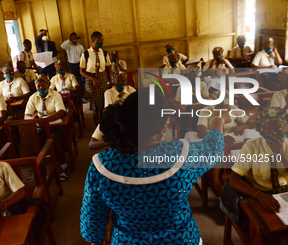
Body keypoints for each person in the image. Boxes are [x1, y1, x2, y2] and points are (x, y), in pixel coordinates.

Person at [81, 88, 226, 244]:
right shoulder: (182, 156)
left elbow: (92, 231)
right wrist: (218, 120)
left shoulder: (101, 167)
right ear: (162, 127)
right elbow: (213, 149)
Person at [229, 107, 288, 213]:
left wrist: (281, 155)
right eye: (267, 130)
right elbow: (233, 179)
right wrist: (259, 195)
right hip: (260, 193)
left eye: (279, 129)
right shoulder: (251, 147)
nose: (273, 134)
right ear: (261, 132)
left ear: (286, 129)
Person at [197, 90, 254, 197]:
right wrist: (220, 136)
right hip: (215, 143)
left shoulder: (234, 109)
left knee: (248, 159)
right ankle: (222, 197)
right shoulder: (206, 110)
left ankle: (241, 190)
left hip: (233, 143)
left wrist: (240, 127)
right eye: (224, 108)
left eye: (228, 107)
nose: (227, 110)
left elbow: (248, 123)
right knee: (213, 169)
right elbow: (201, 131)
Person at [24, 74, 68, 181]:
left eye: (43, 86)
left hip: (55, 124)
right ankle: (42, 169)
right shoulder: (33, 97)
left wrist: (46, 120)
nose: (41, 88)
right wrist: (36, 121)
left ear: (48, 85)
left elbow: (61, 112)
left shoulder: (55, 95)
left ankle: (64, 167)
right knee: (36, 142)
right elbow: (27, 115)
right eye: (38, 86)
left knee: (54, 141)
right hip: (41, 125)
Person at [89, 71, 136, 150]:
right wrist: (113, 141)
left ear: (126, 81)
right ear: (114, 81)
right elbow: (91, 144)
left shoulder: (131, 90)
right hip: (114, 116)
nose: (120, 83)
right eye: (118, 81)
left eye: (123, 81)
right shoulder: (108, 93)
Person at [80, 31, 112, 126]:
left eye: (102, 40)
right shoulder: (86, 54)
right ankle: (97, 126)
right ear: (94, 41)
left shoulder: (104, 53)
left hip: (102, 78)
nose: (101, 42)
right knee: (95, 105)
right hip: (91, 79)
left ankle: (104, 124)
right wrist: (93, 79)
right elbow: (81, 71)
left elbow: (108, 68)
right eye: (99, 40)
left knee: (103, 102)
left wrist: (110, 81)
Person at [61, 32, 85, 101]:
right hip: (71, 65)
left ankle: (82, 96)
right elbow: (62, 46)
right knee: (73, 81)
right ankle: (75, 96)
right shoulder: (68, 46)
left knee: (80, 81)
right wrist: (70, 40)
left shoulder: (80, 46)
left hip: (79, 64)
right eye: (73, 38)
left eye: (76, 38)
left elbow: (83, 56)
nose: (75, 39)